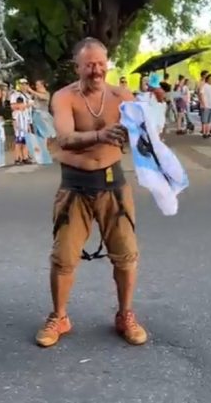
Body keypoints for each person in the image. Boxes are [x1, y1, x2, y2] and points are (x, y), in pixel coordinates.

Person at [36, 37, 147, 348]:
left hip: (114, 186)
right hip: (75, 187)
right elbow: (65, 137)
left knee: (126, 257)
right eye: (89, 65)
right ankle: (59, 316)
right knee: (63, 259)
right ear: (78, 67)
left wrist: (145, 133)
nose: (96, 70)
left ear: (107, 64)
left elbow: (142, 134)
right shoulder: (63, 97)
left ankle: (125, 314)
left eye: (101, 63)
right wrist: (100, 134)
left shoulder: (122, 95)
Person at [200, 74, 211, 138]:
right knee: (205, 120)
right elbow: (201, 94)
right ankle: (204, 133)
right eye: (210, 79)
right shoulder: (204, 86)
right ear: (207, 79)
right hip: (206, 106)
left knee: (210, 120)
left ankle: (208, 132)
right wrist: (204, 104)